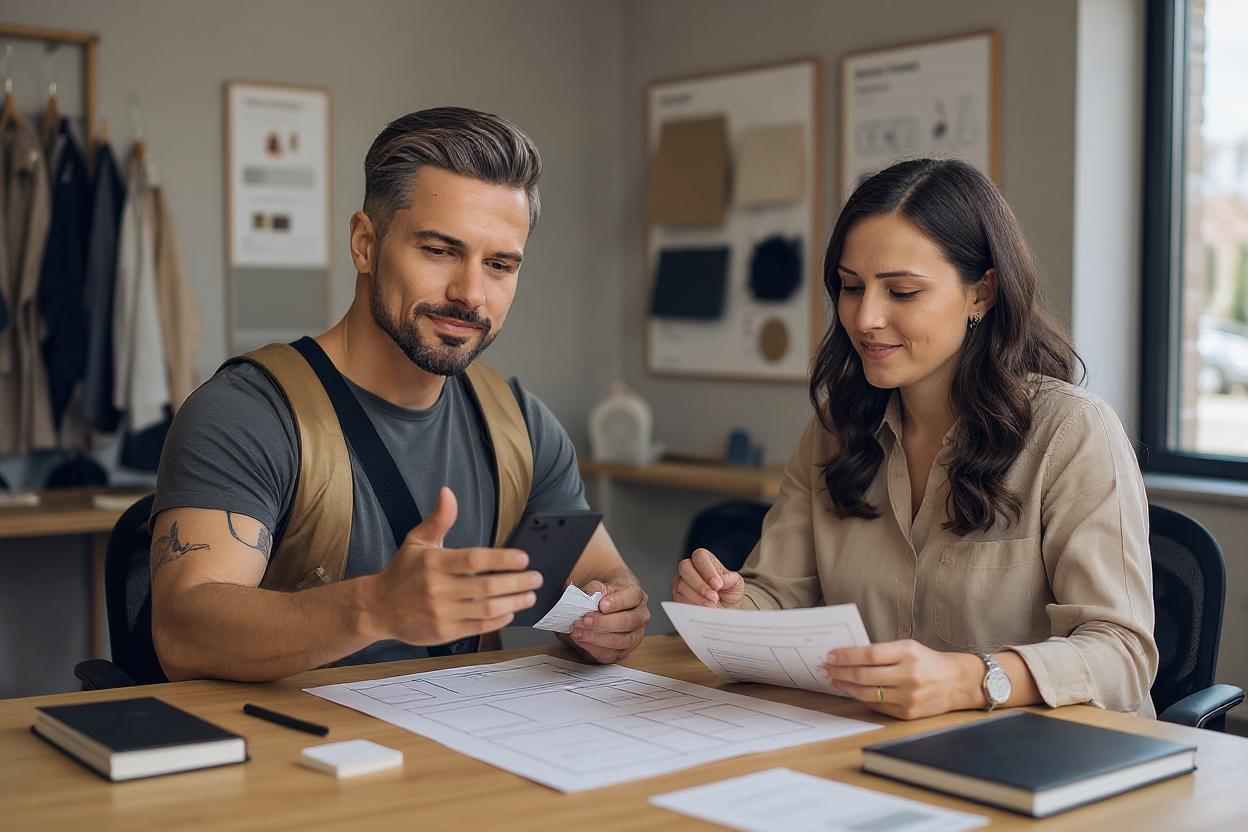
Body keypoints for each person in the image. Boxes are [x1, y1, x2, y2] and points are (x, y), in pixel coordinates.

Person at [150, 107, 649, 682]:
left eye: (499, 265)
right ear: (365, 244)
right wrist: (374, 609)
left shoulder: (520, 425)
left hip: (467, 732)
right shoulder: (248, 413)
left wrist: (613, 615)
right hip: (289, 737)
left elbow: (599, 575)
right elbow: (183, 633)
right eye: (439, 251)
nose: (470, 294)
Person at [673, 158, 1156, 719]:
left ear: (981, 293)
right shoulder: (835, 431)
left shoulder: (1071, 432)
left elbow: (1123, 655)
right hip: (879, 740)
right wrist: (728, 608)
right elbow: (781, 596)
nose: (865, 318)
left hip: (1050, 752)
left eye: (902, 292)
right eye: (851, 287)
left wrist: (973, 679)